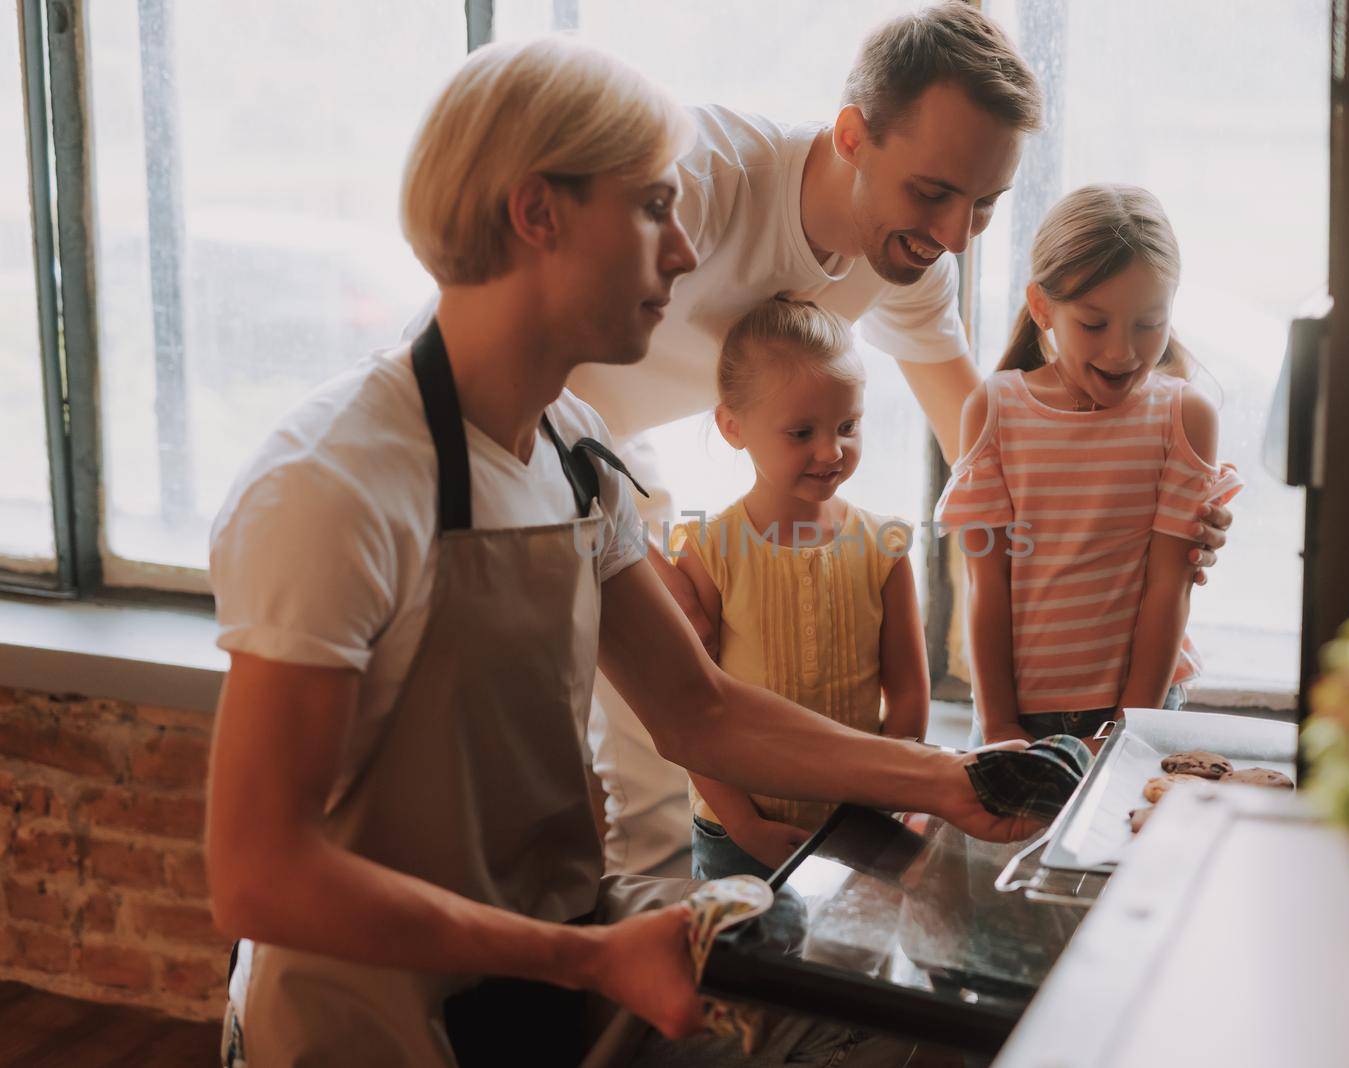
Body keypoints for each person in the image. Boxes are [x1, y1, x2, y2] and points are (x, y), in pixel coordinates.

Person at [207, 36, 1032, 1068]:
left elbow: (700, 710)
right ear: (536, 212)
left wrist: (944, 778)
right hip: (366, 1022)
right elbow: (256, 878)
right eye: (653, 209)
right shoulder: (330, 487)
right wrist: (586, 958)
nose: (686, 254)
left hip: (541, 974)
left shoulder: (579, 457)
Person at [556, 1, 1235, 878]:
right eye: (934, 191)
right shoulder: (703, 178)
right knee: (628, 781)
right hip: (550, 437)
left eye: (984, 205)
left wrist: (1149, 509)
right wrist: (633, 548)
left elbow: (986, 446)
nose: (954, 235)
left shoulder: (909, 264)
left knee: (664, 785)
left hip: (616, 450)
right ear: (851, 136)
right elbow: (536, 346)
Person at [935, 184, 1245, 747]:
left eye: (1149, 324)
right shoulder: (994, 408)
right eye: (1094, 325)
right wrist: (1001, 722)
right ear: (1041, 306)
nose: (1122, 353)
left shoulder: (1185, 416)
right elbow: (987, 583)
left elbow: (1168, 587)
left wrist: (1130, 725)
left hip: (1140, 707)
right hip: (1014, 715)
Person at [672, 297, 929, 880]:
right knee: (742, 972)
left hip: (858, 821)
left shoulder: (884, 548)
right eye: (801, 432)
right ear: (732, 426)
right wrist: (745, 824)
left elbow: (909, 693)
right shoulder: (707, 553)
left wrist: (883, 794)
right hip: (735, 833)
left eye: (848, 426)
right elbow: (687, 711)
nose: (831, 451)